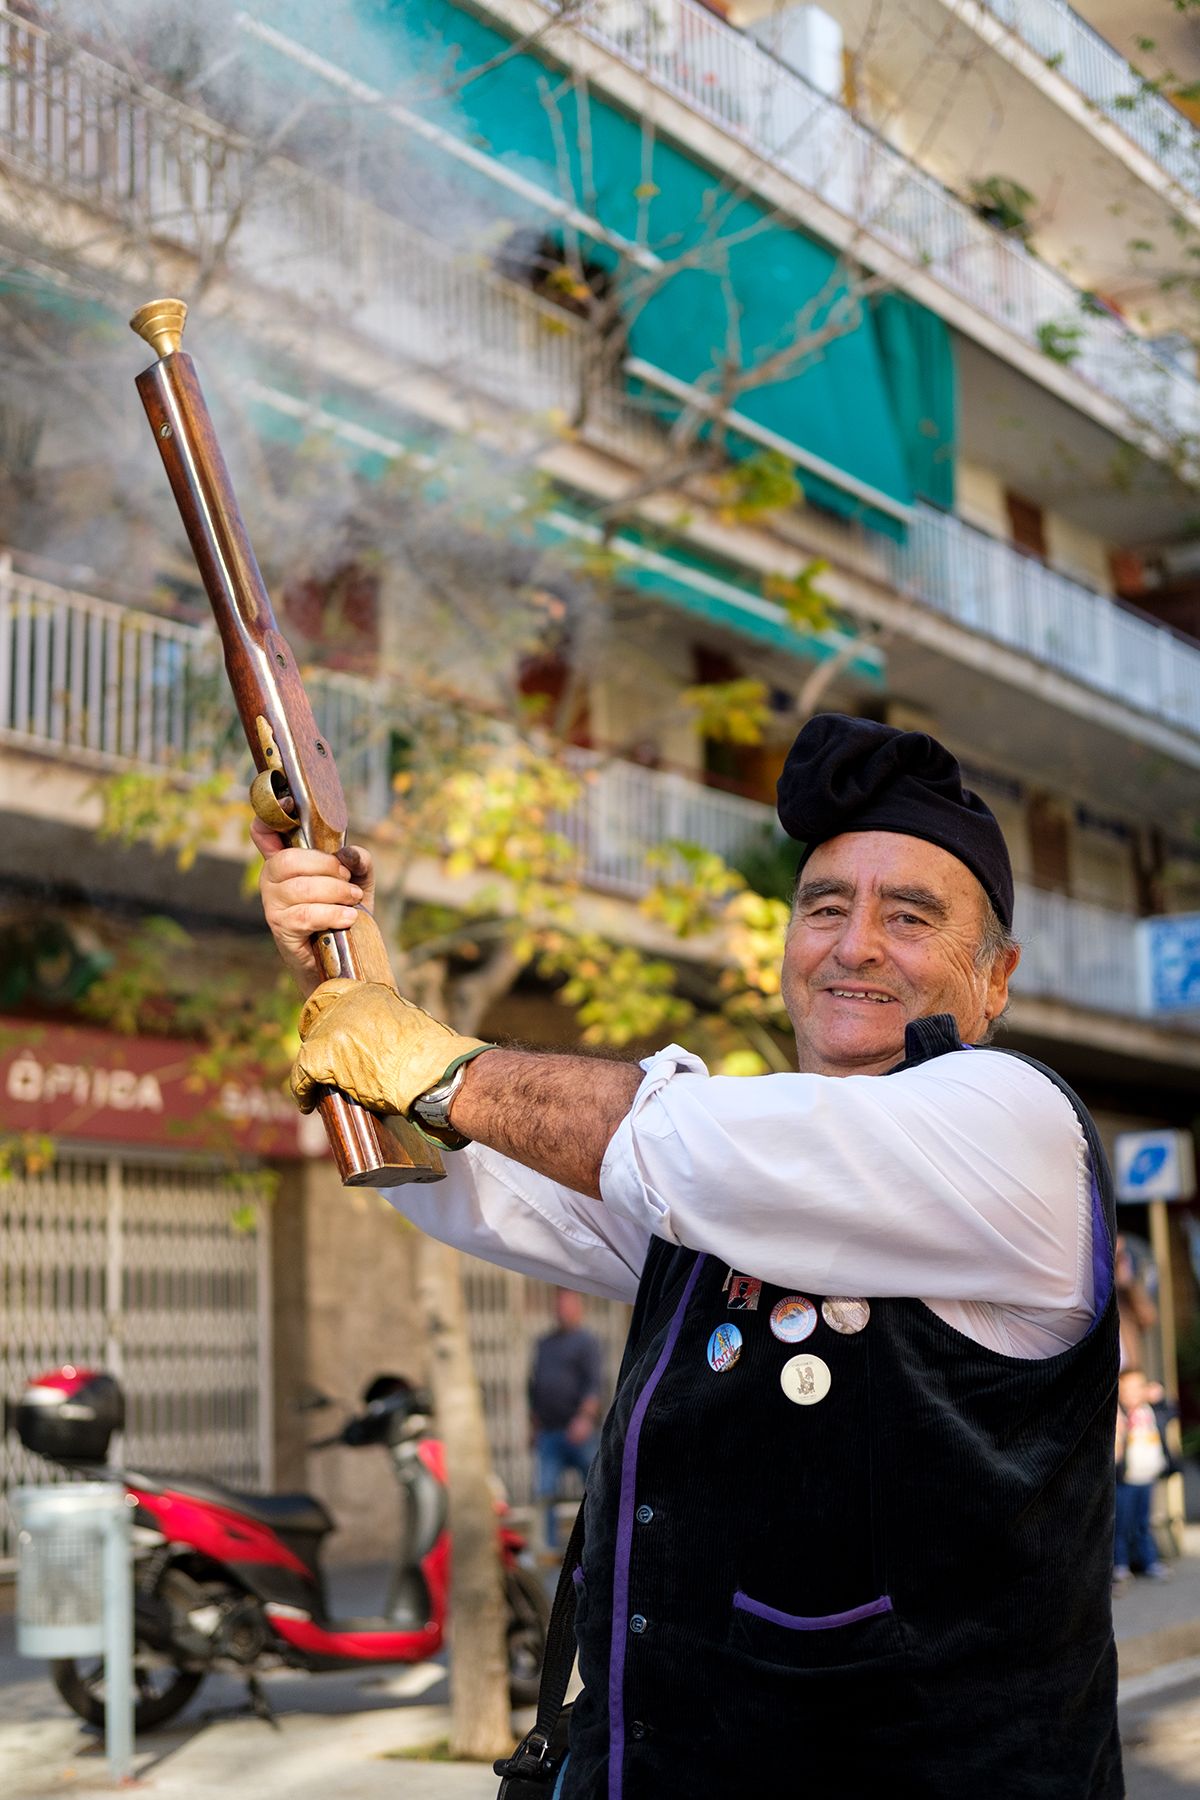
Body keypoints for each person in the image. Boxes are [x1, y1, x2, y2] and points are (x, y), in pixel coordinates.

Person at [253, 713, 1122, 1798]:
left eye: (910, 917)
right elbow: (480, 1186)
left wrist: (432, 1062)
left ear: (995, 980)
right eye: (825, 907)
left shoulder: (1014, 1119)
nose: (854, 944)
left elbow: (680, 1146)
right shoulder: (711, 1168)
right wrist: (353, 982)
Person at [529, 1288, 603, 1552]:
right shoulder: (544, 1343)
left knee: (596, 1489)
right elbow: (534, 1386)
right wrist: (533, 1426)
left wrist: (584, 1418)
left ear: (578, 1307)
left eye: (568, 1304)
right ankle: (547, 1548)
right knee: (544, 1491)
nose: (563, 1310)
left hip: (579, 1432)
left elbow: (594, 1385)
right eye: (559, 1304)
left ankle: (596, 1543)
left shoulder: (586, 1342)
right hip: (549, 1432)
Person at [1114, 1365, 1170, 1586]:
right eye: (1127, 1389)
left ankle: (1149, 1561)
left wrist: (1160, 1396)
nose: (1133, 1394)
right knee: (1122, 1524)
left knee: (1143, 1523)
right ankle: (1120, 1564)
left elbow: (1171, 1411)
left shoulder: (1151, 1411)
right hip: (1126, 1479)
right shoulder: (1119, 1414)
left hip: (1147, 1477)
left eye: (1139, 1387)